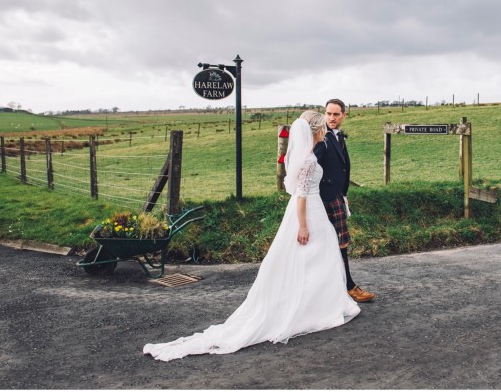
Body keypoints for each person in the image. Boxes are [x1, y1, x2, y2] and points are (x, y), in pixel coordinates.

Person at [143, 111, 360, 361]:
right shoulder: (309, 160)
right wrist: (302, 226)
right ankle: (314, 308)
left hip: (312, 211)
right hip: (307, 213)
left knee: (315, 259)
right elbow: (301, 195)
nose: (325, 129)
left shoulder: (306, 156)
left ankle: (316, 304)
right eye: (322, 126)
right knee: (316, 257)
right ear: (315, 130)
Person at [314, 98, 377, 303]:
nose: (331, 118)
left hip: (337, 196)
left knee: (339, 243)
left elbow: (342, 167)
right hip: (325, 199)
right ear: (325, 114)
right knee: (338, 243)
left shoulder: (338, 136)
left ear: (343, 116)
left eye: (336, 114)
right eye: (329, 114)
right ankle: (348, 287)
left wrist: (344, 194)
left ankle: (342, 286)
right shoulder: (321, 137)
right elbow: (311, 166)